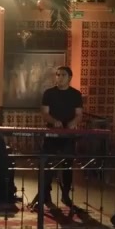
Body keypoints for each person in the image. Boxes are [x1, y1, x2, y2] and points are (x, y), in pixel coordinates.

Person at [38, 66, 84, 208]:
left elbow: (79, 114)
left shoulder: (76, 94)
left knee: (67, 166)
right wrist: (54, 121)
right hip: (51, 134)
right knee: (48, 165)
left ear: (69, 78)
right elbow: (45, 113)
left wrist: (73, 123)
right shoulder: (49, 93)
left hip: (68, 136)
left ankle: (65, 194)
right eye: (58, 74)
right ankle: (45, 194)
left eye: (63, 75)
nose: (59, 77)